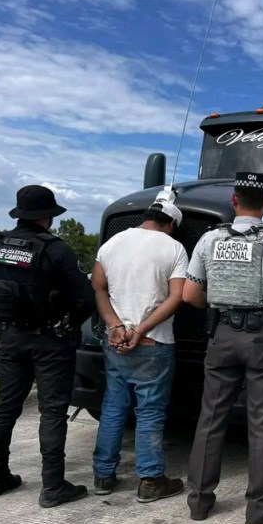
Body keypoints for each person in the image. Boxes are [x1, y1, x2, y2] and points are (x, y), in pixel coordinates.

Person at [183, 172, 263, 524]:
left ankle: (200, 501)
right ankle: (258, 510)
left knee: (210, 418)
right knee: (262, 422)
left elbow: (190, 295)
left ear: (234, 201)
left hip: (221, 334)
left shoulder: (209, 240)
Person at [0, 185, 95, 507]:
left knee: (5, 407)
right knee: (53, 411)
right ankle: (53, 486)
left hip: (9, 337)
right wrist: (69, 324)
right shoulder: (55, 250)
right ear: (47, 216)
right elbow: (84, 298)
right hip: (49, 340)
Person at [90, 188, 188, 502]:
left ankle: (103, 476)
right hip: (153, 343)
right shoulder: (174, 249)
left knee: (113, 408)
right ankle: (150, 479)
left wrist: (115, 325)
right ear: (172, 224)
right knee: (149, 413)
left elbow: (98, 287)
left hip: (115, 342)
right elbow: (177, 297)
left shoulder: (112, 243)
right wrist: (142, 328)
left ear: (147, 217)